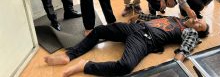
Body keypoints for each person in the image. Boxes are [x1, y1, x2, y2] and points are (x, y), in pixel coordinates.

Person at [44, 12, 209, 77]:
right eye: (199, 20)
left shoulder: (189, 32)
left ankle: (84, 65)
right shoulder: (176, 18)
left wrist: (178, 61)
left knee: (125, 66)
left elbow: (187, 45)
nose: (197, 22)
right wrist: (139, 16)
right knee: (100, 30)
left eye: (200, 26)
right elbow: (154, 18)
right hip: (135, 27)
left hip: (145, 39)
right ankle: (69, 55)